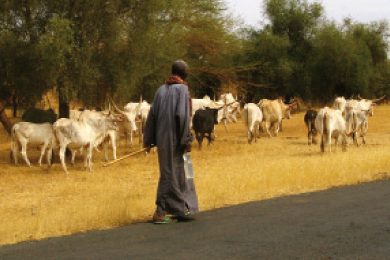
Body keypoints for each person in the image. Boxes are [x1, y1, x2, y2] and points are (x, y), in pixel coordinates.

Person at [143, 60, 199, 224]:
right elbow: (183, 116)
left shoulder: (160, 90)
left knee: (175, 174)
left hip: (162, 140)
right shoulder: (182, 89)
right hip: (175, 140)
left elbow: (151, 116)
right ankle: (161, 211)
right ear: (184, 72)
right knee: (173, 174)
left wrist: (149, 140)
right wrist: (186, 140)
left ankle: (181, 209)